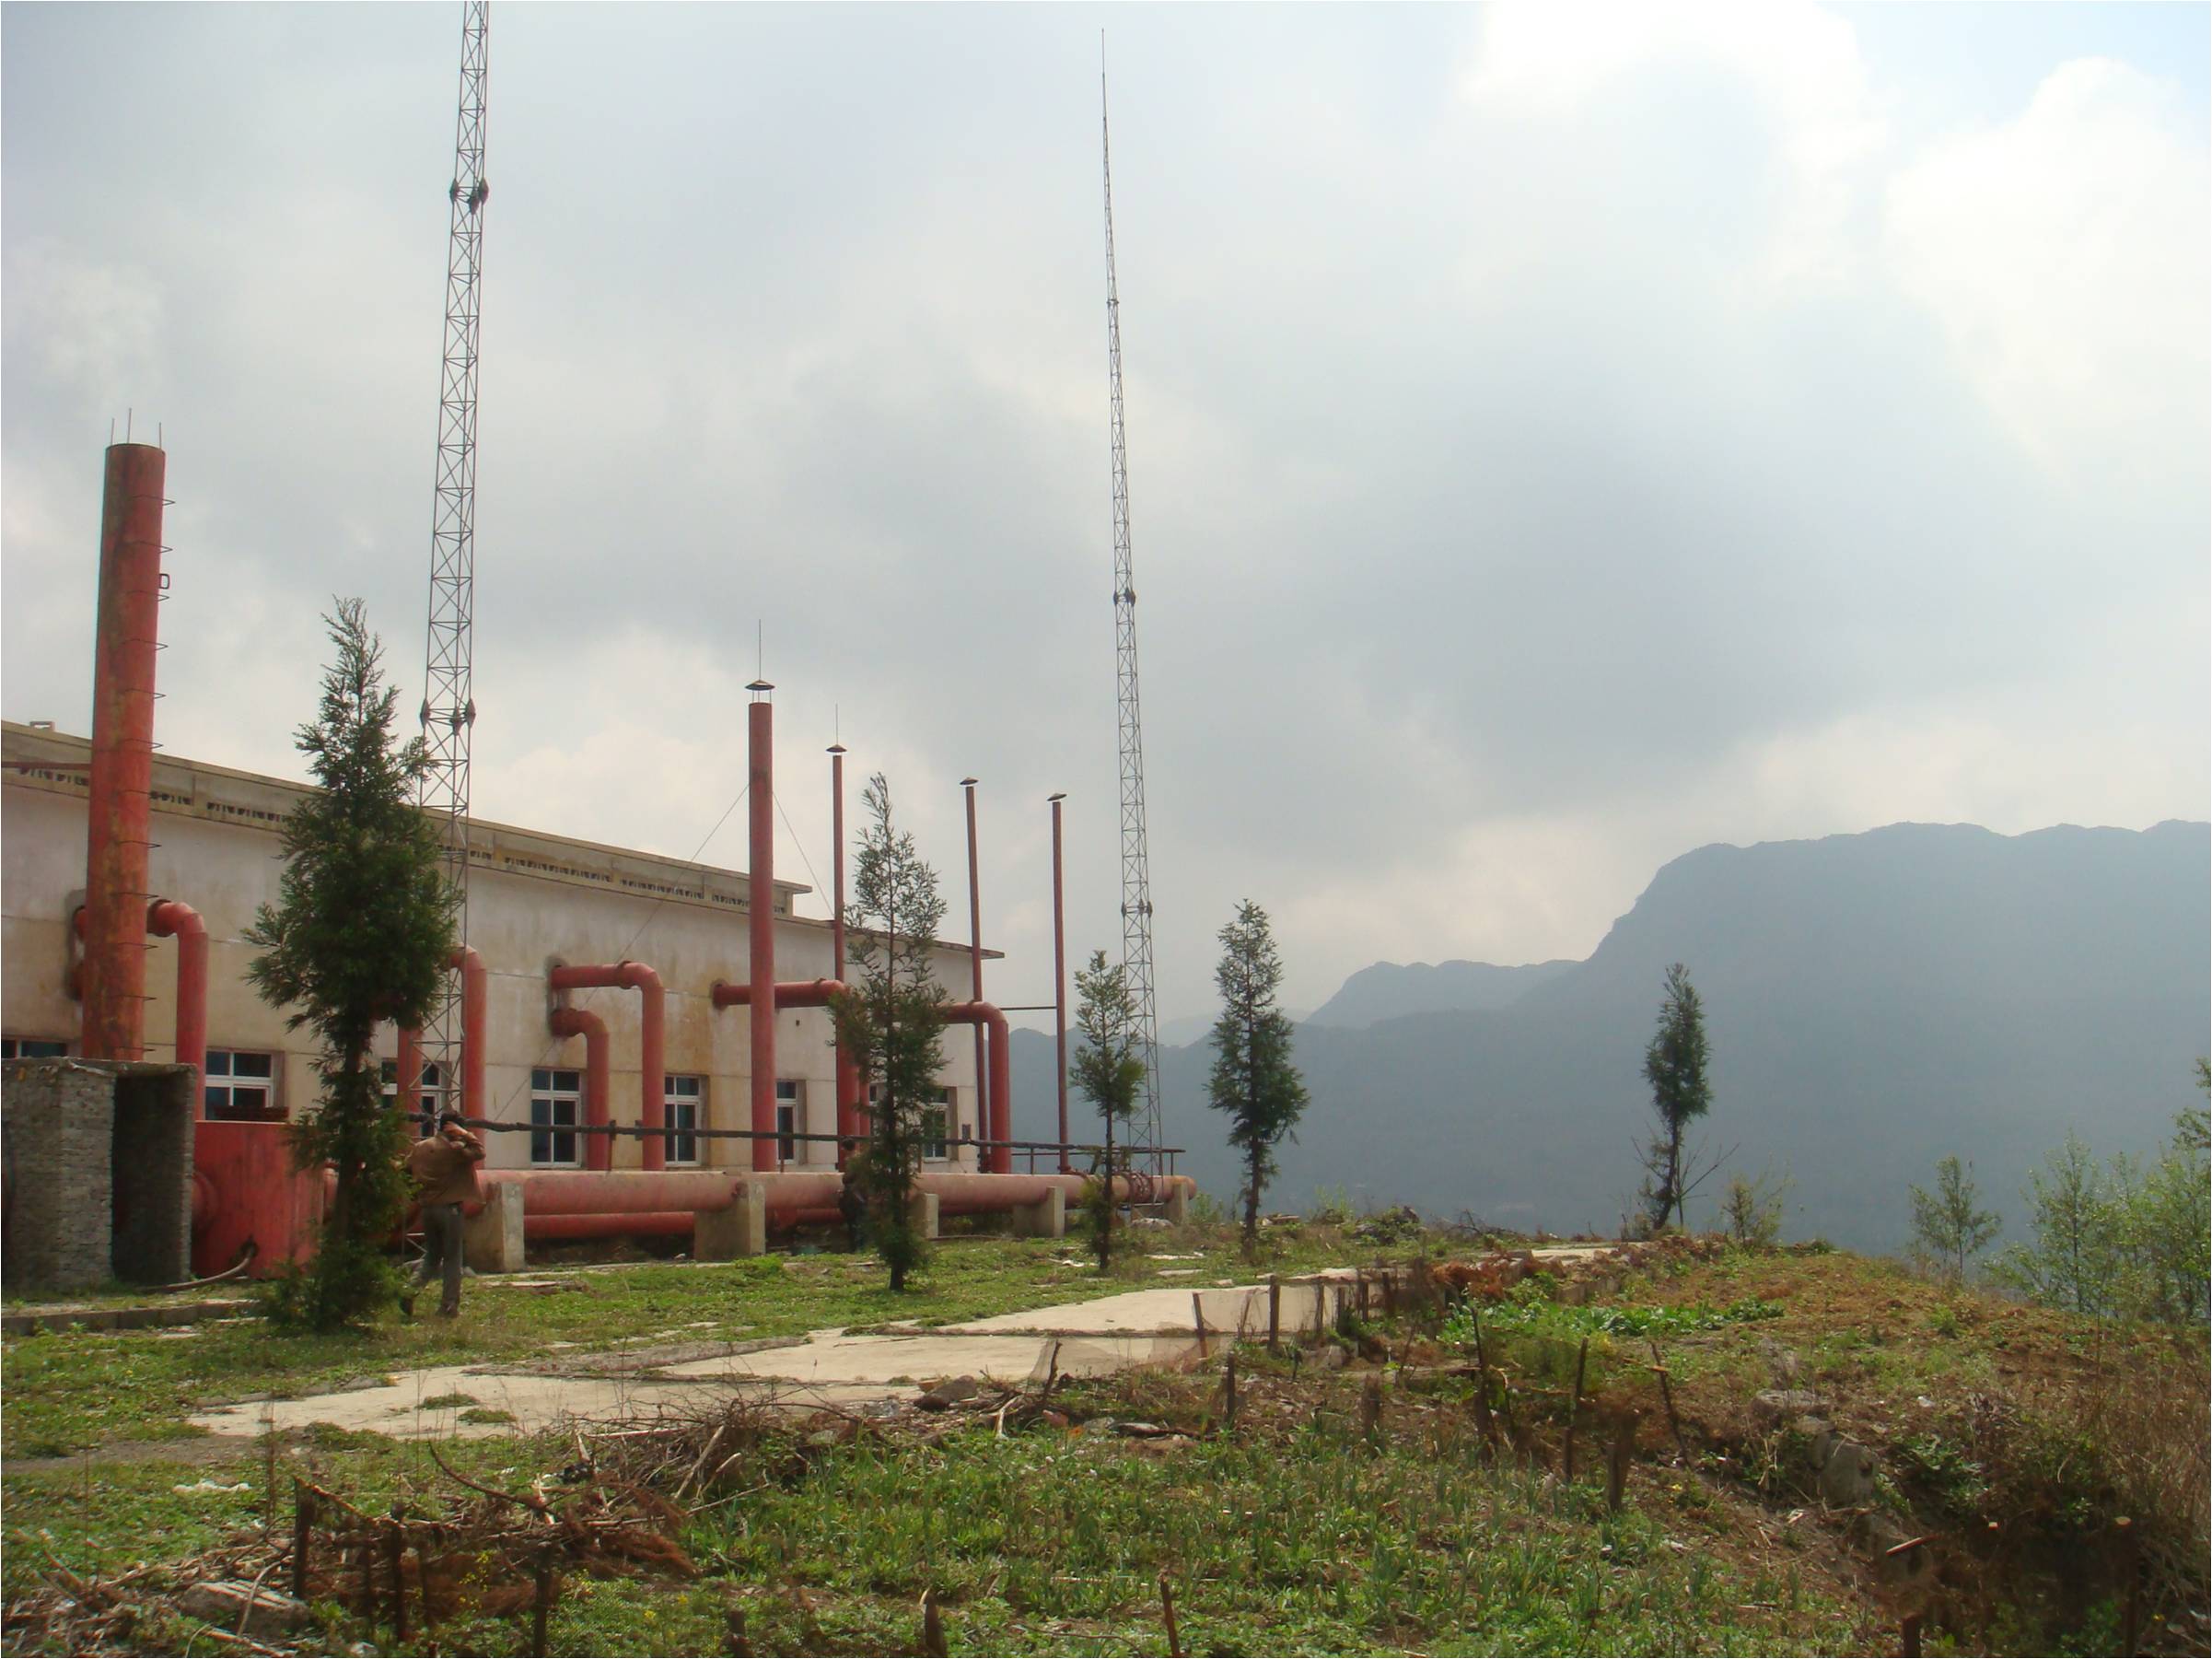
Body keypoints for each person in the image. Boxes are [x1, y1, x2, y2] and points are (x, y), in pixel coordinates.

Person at [402, 1109, 485, 1317]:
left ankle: (409, 1291)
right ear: (453, 1128)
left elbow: (405, 1170)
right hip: (450, 1210)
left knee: (431, 1256)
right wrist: (465, 1135)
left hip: (428, 1208)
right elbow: (479, 1151)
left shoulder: (421, 1147)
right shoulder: (455, 1151)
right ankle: (449, 1306)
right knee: (452, 1259)